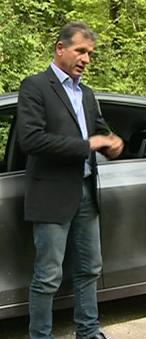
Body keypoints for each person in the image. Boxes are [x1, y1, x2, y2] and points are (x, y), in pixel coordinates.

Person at [17, 22, 124, 339]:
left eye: (90, 53)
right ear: (60, 49)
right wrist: (88, 144)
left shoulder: (87, 95)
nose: (86, 59)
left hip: (86, 194)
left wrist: (113, 143)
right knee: (48, 276)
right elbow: (31, 140)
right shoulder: (35, 86)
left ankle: (88, 332)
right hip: (51, 195)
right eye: (81, 51)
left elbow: (102, 135)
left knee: (90, 269)